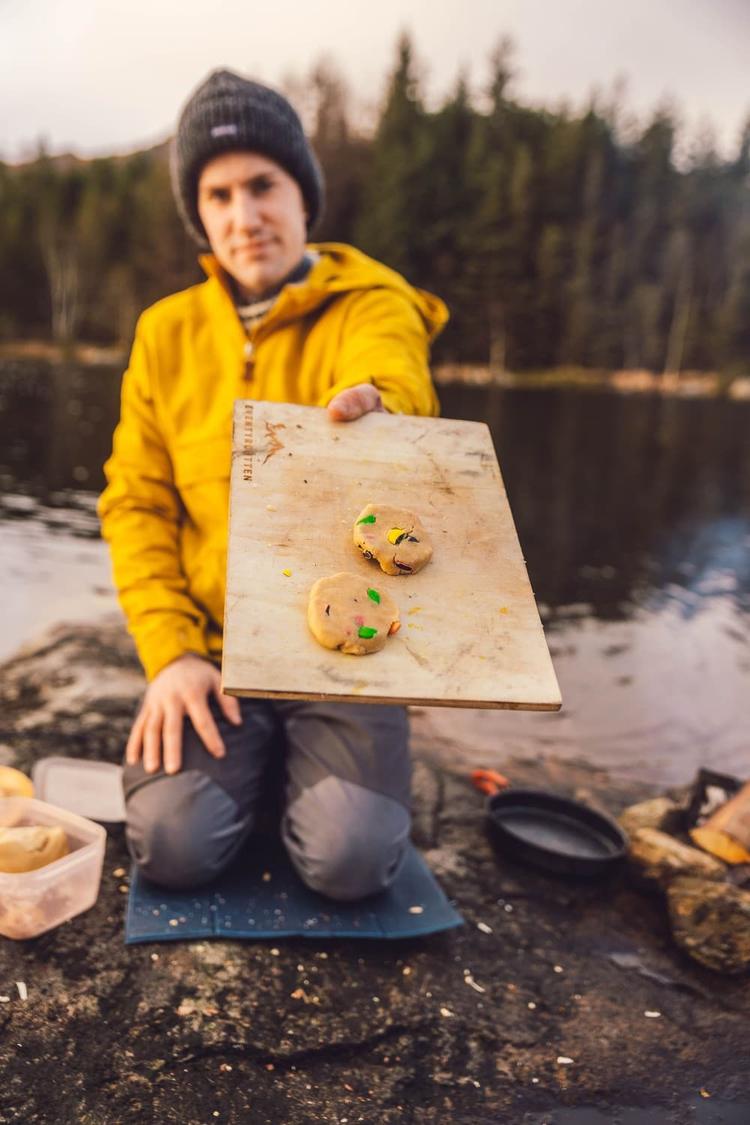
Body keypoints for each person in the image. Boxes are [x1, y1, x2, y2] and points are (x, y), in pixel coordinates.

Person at [98, 68, 448, 899]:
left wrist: (383, 409)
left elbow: (396, 376)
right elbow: (136, 502)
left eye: (263, 185)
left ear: (303, 193)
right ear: (199, 212)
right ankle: (265, 768)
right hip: (216, 655)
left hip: (348, 647)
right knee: (171, 845)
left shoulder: (372, 301)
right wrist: (170, 652)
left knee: (352, 860)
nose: (243, 216)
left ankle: (322, 769)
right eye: (217, 195)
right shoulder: (165, 333)